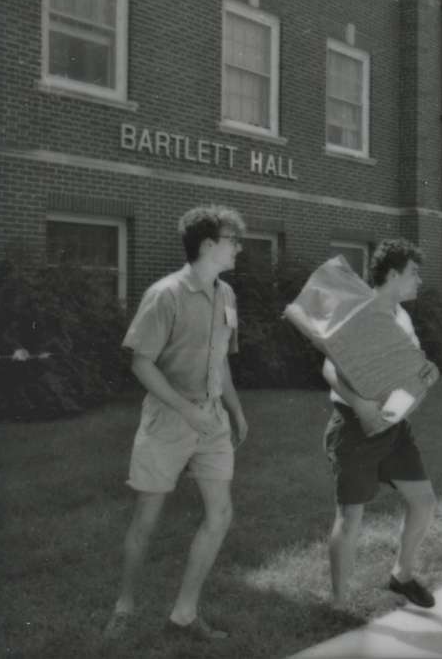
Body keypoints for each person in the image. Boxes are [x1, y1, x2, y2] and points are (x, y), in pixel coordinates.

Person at [102, 205, 250, 642]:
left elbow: (220, 362)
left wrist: (236, 411)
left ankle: (184, 614)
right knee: (147, 517)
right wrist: (187, 412)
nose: (238, 247)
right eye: (232, 240)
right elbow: (141, 363)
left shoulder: (227, 296)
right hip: (170, 416)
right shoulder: (165, 294)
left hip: (213, 419)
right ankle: (124, 607)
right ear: (208, 245)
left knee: (219, 513)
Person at [322, 239, 437, 608]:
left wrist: (406, 401)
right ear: (391, 274)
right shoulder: (359, 311)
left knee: (423, 501)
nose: (419, 280)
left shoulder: (402, 318)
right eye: (413, 273)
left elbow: (408, 372)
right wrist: (361, 405)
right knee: (351, 515)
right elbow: (328, 366)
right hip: (355, 426)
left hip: (393, 427)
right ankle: (339, 604)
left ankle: (401, 576)